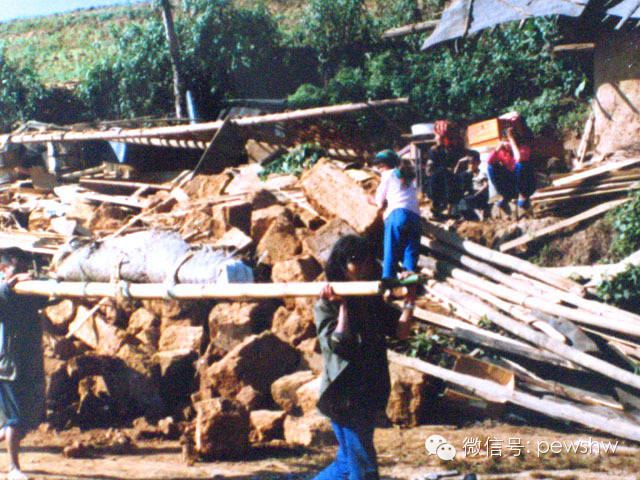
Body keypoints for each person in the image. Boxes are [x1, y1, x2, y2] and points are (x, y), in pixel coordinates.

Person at [312, 235, 415, 480]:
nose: (363, 266)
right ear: (341, 266)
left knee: (347, 464)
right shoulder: (325, 305)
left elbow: (400, 331)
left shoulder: (372, 300)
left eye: (367, 260)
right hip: (344, 395)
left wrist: (410, 300)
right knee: (364, 467)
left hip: (369, 389)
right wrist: (343, 306)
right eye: (355, 261)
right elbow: (338, 344)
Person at [0, 248, 46, 480]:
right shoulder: (4, 290)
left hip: (28, 362)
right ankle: (13, 469)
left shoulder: (28, 292)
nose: (23, 274)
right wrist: (10, 283)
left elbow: (46, 296)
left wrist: (39, 280)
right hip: (8, 366)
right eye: (17, 268)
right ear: (3, 268)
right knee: (15, 419)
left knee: (23, 418)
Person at [368, 149, 421, 281]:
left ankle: (388, 279)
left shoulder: (387, 175)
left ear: (382, 165)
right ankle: (409, 279)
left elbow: (379, 202)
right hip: (414, 216)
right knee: (410, 249)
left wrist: (372, 200)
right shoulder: (405, 177)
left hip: (397, 214)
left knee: (391, 247)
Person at [425, 120, 480, 217]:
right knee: (440, 175)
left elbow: (470, 155)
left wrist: (470, 158)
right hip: (441, 183)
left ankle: (458, 207)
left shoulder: (458, 147)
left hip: (457, 180)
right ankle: (438, 207)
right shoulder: (435, 151)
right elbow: (429, 171)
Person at [487, 123, 536, 214]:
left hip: (525, 183)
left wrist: (512, 142)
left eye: (509, 141)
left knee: (521, 165)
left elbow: (519, 158)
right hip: (511, 182)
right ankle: (504, 195)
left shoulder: (523, 148)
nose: (507, 144)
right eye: (505, 141)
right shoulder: (502, 151)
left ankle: (522, 195)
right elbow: (489, 161)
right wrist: (498, 148)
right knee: (491, 167)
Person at [452, 155, 489, 220]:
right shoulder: (468, 173)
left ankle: (475, 217)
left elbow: (485, 186)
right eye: (470, 163)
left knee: (463, 201)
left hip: (480, 196)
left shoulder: (481, 173)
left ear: (478, 163)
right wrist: (459, 162)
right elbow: (454, 176)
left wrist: (476, 194)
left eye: (473, 163)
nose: (471, 165)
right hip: (473, 195)